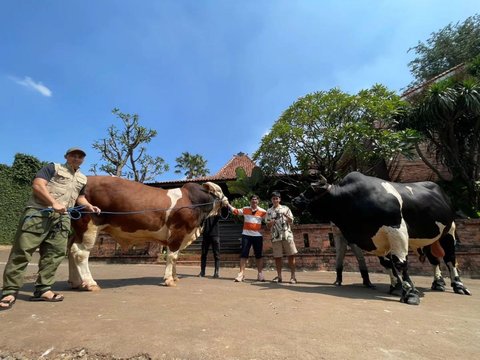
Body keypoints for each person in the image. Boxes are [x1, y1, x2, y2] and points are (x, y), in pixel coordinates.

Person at [0, 147, 101, 311]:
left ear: (83, 160)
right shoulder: (52, 167)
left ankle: (43, 290)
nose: (76, 158)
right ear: (66, 157)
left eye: (80, 156)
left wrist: (89, 206)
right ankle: (10, 291)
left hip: (62, 219)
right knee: (22, 252)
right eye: (73, 155)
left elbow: (79, 197)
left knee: (54, 255)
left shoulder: (82, 178)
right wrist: (53, 203)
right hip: (39, 214)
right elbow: (38, 185)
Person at [228, 194, 267, 282]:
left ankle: (260, 274)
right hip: (246, 235)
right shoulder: (245, 209)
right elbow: (235, 211)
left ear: (258, 201)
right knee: (244, 255)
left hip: (257, 236)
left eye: (256, 199)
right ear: (250, 201)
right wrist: (228, 204)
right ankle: (241, 274)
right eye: (253, 199)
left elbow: (268, 220)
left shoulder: (263, 211)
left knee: (259, 255)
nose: (254, 201)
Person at [266, 191, 298, 284]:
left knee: (291, 255)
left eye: (277, 198)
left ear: (280, 199)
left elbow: (291, 220)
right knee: (277, 257)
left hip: (287, 235)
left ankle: (293, 277)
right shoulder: (269, 211)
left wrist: (287, 217)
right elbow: (267, 225)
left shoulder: (286, 208)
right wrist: (270, 223)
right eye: (273, 198)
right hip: (275, 236)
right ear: (271, 200)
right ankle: (279, 276)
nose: (275, 200)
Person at [331, 223, 375, 288]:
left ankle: (366, 280)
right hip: (340, 234)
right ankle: (338, 279)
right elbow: (334, 226)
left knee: (360, 256)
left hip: (353, 234)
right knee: (339, 256)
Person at [198, 206, 229, 278]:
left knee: (217, 254)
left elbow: (225, 216)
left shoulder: (217, 210)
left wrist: (225, 206)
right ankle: (202, 272)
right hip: (206, 234)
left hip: (215, 235)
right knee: (203, 254)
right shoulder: (205, 211)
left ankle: (216, 272)